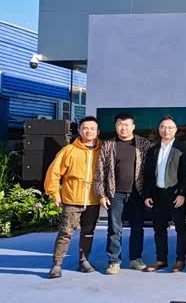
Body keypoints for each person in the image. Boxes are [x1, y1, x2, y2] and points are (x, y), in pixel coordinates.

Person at [44, 116, 103, 279]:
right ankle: (57, 264)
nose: (89, 131)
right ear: (79, 130)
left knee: (88, 232)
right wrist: (54, 193)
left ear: (98, 132)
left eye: (92, 128)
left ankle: (84, 260)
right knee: (65, 232)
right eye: (85, 128)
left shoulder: (103, 151)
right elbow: (54, 172)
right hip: (72, 199)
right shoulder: (69, 150)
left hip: (93, 200)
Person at [95, 112, 151, 274]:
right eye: (120, 124)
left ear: (133, 126)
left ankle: (136, 259)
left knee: (137, 228)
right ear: (116, 126)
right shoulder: (108, 145)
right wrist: (102, 194)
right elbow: (100, 171)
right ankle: (114, 261)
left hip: (137, 194)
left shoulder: (143, 144)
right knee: (114, 229)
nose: (123, 128)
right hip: (115, 194)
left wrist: (148, 193)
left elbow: (149, 170)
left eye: (127, 125)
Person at [143, 115, 186, 273]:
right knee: (159, 229)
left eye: (170, 127)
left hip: (175, 194)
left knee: (180, 228)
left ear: (176, 130)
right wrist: (147, 195)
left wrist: (182, 194)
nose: (166, 130)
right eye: (163, 127)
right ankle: (161, 259)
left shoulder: (182, 149)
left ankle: (180, 259)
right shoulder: (152, 150)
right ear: (159, 129)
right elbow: (148, 175)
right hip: (157, 194)